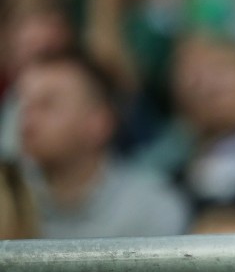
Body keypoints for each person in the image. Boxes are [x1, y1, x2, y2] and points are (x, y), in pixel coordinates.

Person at [16, 50, 188, 238]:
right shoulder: (8, 203)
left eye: (47, 105)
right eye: (25, 106)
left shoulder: (152, 208)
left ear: (99, 122)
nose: (27, 121)